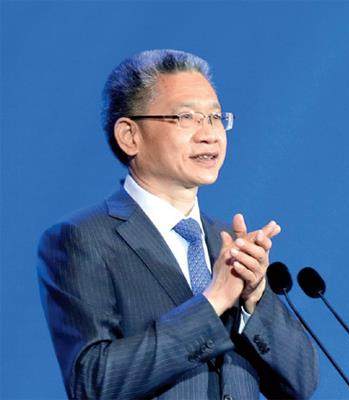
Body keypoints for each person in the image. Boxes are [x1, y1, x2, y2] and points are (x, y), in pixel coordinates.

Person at [37, 49, 318, 400]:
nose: (210, 134)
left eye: (215, 117)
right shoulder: (81, 239)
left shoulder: (227, 244)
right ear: (130, 135)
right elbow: (93, 383)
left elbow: (301, 381)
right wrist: (213, 302)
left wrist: (253, 299)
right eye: (187, 117)